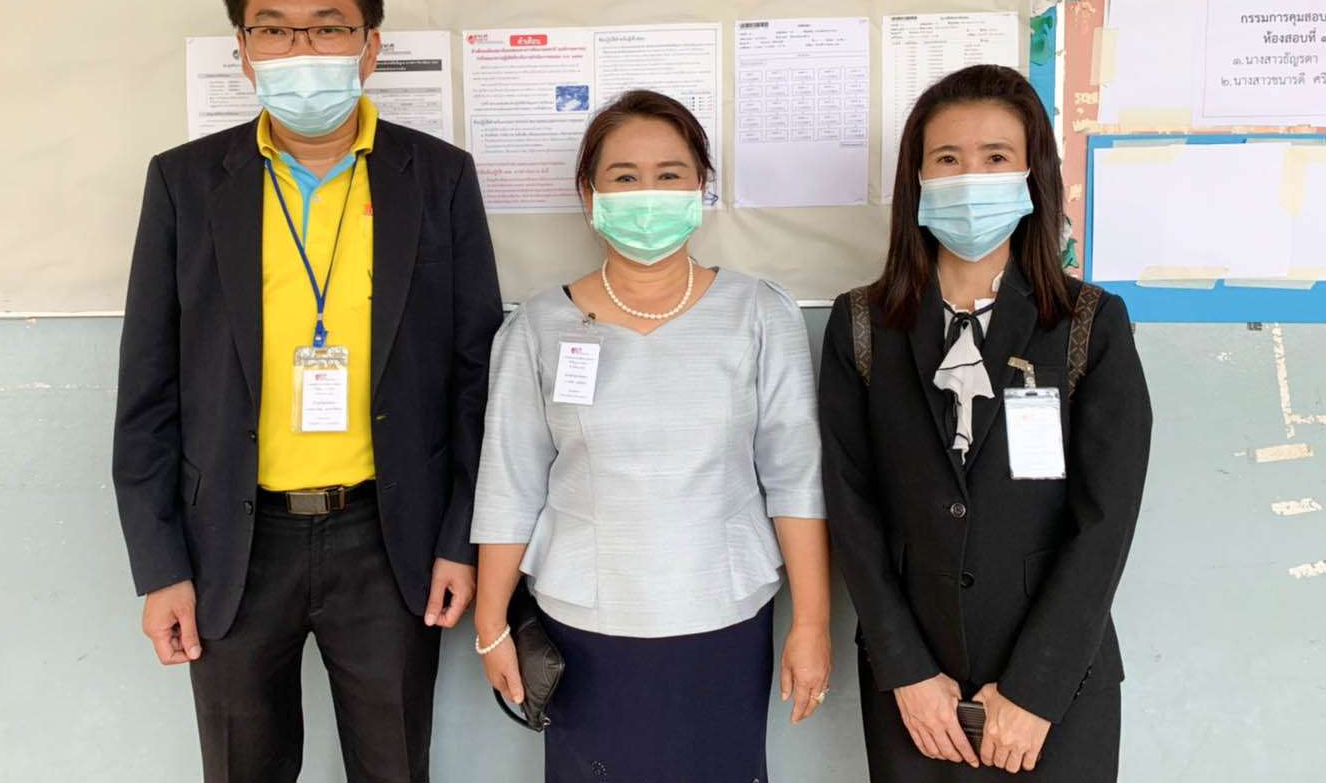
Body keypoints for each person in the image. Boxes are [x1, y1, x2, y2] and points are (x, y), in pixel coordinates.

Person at [112, 0, 501, 782]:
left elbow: (476, 378)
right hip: (232, 543)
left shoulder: (437, 178)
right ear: (243, 50)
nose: (302, 50)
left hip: (389, 537)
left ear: (370, 46)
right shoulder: (185, 182)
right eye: (274, 29)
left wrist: (460, 540)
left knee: (395, 765)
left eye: (327, 28)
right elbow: (147, 390)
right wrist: (161, 567)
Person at [470, 89, 832, 782]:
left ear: (701, 187)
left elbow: (795, 480)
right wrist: (491, 624)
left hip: (723, 620)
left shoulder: (759, 313)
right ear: (589, 194)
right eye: (625, 177)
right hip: (584, 626)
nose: (648, 195)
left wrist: (811, 623)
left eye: (669, 175)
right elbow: (509, 483)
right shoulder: (538, 327)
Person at [820, 64, 1151, 781]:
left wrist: (1035, 688)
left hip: (1056, 691)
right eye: (947, 158)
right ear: (917, 179)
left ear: (1032, 176)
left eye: (995, 157)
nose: (970, 176)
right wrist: (905, 669)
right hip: (916, 693)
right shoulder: (861, 324)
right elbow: (850, 508)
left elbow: (1105, 522)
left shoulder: (1089, 323)